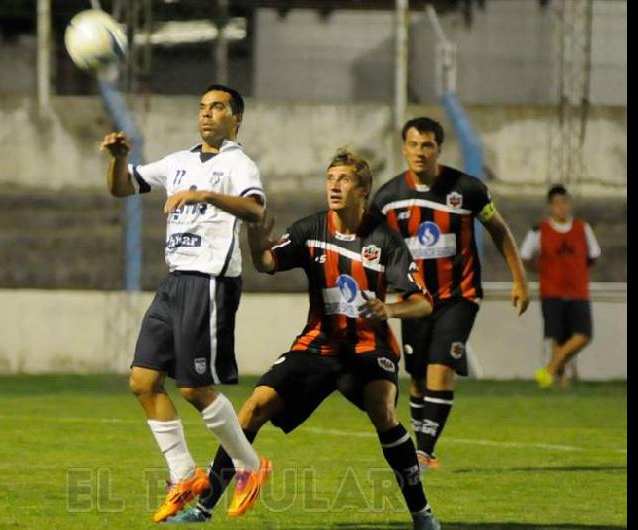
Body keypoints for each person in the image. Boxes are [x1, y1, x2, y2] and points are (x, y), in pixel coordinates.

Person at [168, 147, 442, 530]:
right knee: (252, 409)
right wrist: (256, 241)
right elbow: (267, 265)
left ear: (363, 189)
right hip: (317, 345)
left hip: (368, 347)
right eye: (330, 179)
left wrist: (389, 310)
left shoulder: (384, 238)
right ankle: (203, 509)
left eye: (344, 179)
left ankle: (422, 514)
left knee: (383, 410)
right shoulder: (311, 230)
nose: (334, 186)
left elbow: (423, 303)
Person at [99, 84, 272, 522]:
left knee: (194, 387)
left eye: (218, 108)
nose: (207, 114)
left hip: (209, 281)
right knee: (142, 380)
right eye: (202, 107)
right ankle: (183, 475)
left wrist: (205, 195)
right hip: (175, 282)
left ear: (237, 119)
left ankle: (251, 466)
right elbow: (122, 188)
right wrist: (119, 158)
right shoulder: (177, 162)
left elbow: (255, 211)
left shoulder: (238, 163)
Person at [370, 117, 529, 472]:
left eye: (427, 145)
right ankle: (421, 444)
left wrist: (520, 279)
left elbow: (499, 230)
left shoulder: (467, 189)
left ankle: (423, 452)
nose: (420, 152)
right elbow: (371, 249)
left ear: (439, 149)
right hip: (415, 301)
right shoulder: (387, 197)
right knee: (419, 378)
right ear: (403, 148)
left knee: (442, 369)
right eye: (414, 144)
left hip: (460, 295)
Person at [520, 185, 601, 388]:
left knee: (584, 334)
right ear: (550, 206)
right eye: (557, 203)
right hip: (551, 290)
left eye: (565, 202)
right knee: (557, 336)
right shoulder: (539, 230)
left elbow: (594, 254)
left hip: (578, 291)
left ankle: (550, 369)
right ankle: (561, 379)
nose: (562, 207)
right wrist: (541, 270)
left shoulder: (583, 227)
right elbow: (524, 256)